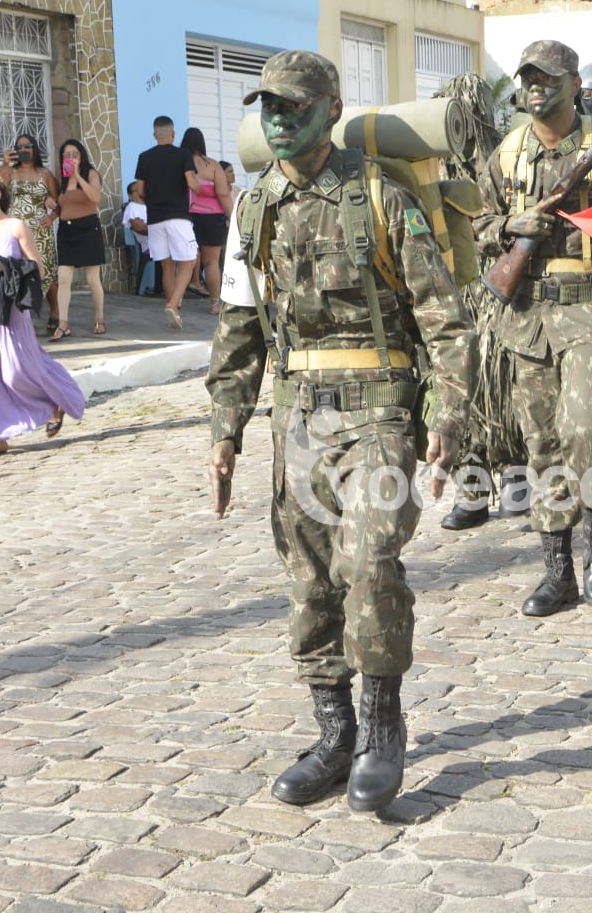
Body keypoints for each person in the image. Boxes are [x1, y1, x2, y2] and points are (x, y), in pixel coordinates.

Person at [207, 50, 475, 814]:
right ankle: (334, 733)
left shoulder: (381, 198)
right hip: (298, 413)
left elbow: (442, 319)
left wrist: (449, 415)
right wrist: (225, 431)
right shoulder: (255, 208)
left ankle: (382, 730)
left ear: (330, 110)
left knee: (369, 559)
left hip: (379, 407)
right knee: (311, 577)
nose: (278, 121)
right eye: (268, 107)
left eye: (293, 106)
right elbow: (238, 326)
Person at [474, 39, 592, 617]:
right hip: (529, 319)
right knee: (542, 443)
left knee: (586, 426)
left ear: (574, 85)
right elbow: (479, 225)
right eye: (528, 79)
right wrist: (510, 227)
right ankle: (557, 570)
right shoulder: (509, 153)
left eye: (547, 78)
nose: (535, 87)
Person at [0, 174, 85, 458]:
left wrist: (5, 266)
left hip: (10, 311)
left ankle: (56, 400)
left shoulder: (15, 226)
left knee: (17, 370)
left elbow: (37, 268)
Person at [134, 116, 200, 329]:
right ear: (173, 134)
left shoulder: (144, 157)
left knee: (166, 265)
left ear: (155, 135)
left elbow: (140, 190)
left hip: (155, 219)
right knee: (189, 261)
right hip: (178, 217)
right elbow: (192, 184)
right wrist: (198, 186)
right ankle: (173, 303)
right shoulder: (183, 155)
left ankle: (175, 313)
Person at [0, 133, 61, 335]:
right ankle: (21, 317)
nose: (23, 150)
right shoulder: (10, 172)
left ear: (35, 149)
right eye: (19, 147)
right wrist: (5, 164)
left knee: (45, 271)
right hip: (15, 231)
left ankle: (55, 311)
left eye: (27, 146)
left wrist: (51, 217)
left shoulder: (45, 174)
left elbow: (59, 203)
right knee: (18, 271)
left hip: (40, 232)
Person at [50, 139, 106, 338]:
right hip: (66, 230)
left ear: (81, 156)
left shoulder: (91, 174)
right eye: (67, 154)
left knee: (92, 279)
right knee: (64, 278)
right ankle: (63, 324)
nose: (71, 157)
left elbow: (96, 198)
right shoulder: (62, 179)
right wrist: (50, 207)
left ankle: (99, 319)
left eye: (75, 154)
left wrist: (77, 176)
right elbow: (61, 205)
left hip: (88, 228)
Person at [180, 127, 234, 315]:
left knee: (185, 261)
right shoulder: (213, 165)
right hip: (212, 219)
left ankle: (176, 301)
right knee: (212, 263)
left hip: (187, 218)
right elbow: (223, 193)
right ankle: (215, 304)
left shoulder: (181, 163)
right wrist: (233, 217)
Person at [123, 180, 156, 296]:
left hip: (159, 238)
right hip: (149, 243)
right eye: (137, 190)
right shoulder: (131, 207)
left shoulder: (151, 206)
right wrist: (157, 228)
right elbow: (139, 227)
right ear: (130, 195)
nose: (141, 192)